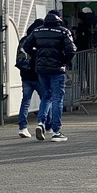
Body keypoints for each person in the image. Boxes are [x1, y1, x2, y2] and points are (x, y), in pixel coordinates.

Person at [23, 10, 76, 142]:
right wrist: (63, 60)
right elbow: (72, 50)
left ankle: (41, 123)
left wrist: (37, 56)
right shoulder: (63, 31)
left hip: (41, 69)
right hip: (57, 69)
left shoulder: (37, 31)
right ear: (59, 19)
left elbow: (26, 46)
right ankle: (56, 131)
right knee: (58, 99)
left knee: (46, 96)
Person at [16, 18, 45, 138]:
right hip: (37, 75)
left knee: (25, 101)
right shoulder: (38, 40)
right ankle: (44, 124)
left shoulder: (23, 40)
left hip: (25, 75)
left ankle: (22, 127)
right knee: (45, 99)